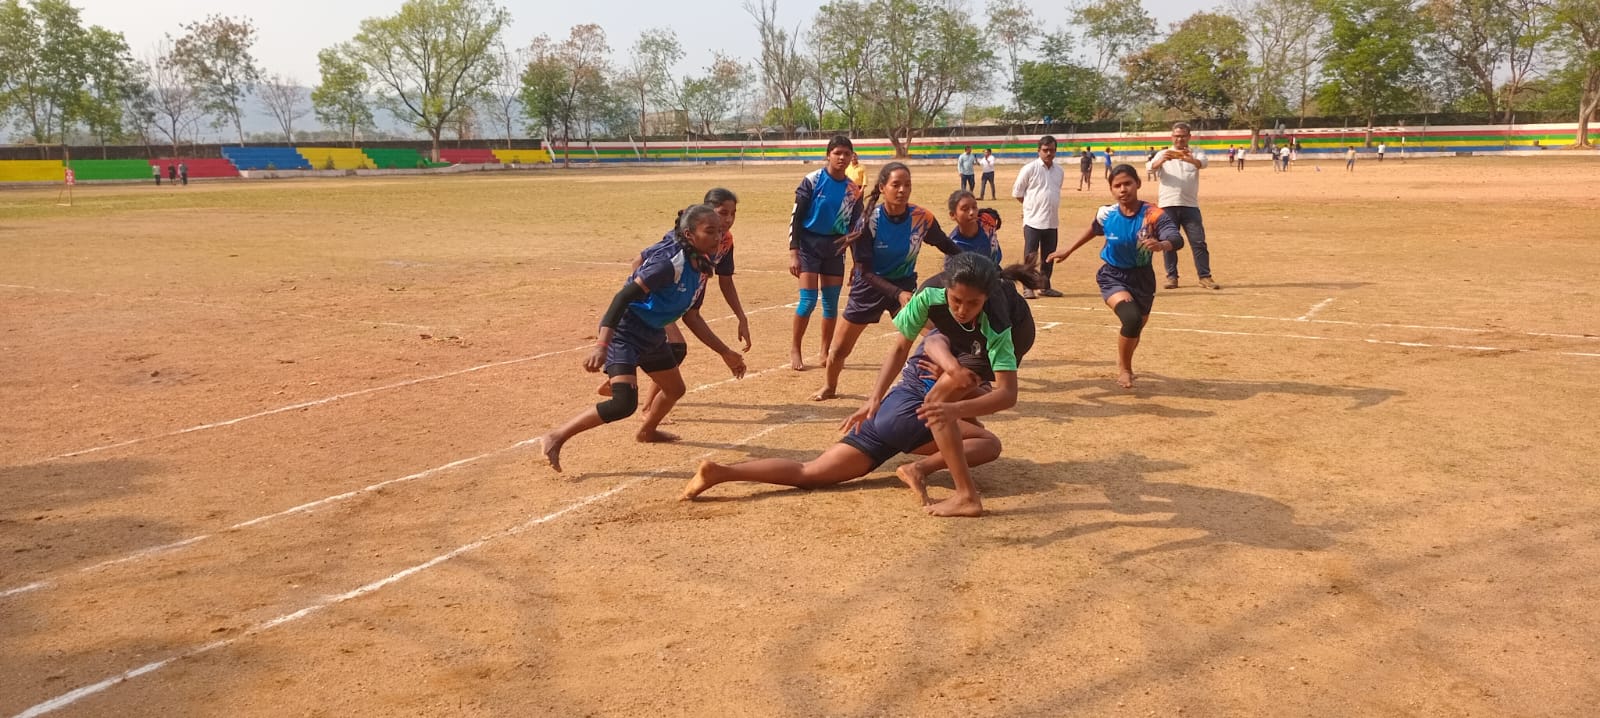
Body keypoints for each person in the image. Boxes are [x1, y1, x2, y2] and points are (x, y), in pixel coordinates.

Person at [683, 253, 1040, 518]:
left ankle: (723, 472)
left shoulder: (975, 330)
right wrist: (876, 399)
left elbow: (932, 352)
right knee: (982, 437)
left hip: (892, 415)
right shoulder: (936, 315)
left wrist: (881, 402)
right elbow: (906, 347)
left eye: (971, 304)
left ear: (986, 299)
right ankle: (965, 494)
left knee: (811, 473)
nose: (962, 309)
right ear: (945, 291)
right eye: (955, 301)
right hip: (902, 415)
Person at [539, 205, 748, 472]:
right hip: (625, 332)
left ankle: (647, 431)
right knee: (623, 404)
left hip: (652, 333)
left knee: (675, 390)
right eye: (710, 231)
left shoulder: (701, 264)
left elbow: (692, 318)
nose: (718, 238)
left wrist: (726, 352)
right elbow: (622, 297)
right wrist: (601, 345)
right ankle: (555, 437)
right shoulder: (670, 263)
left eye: (719, 231)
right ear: (689, 234)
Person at [814, 162, 962, 401]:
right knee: (839, 350)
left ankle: (958, 381)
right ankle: (830, 387)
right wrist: (897, 294)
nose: (902, 190)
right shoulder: (867, 221)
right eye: (896, 185)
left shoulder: (921, 218)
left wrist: (978, 264)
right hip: (869, 288)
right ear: (883, 187)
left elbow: (946, 245)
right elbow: (865, 272)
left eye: (907, 185)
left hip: (904, 287)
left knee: (938, 336)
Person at [596, 189, 752, 413]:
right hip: (668, 300)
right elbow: (639, 262)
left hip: (688, 297)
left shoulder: (723, 239)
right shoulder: (682, 238)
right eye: (722, 213)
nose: (728, 220)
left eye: (732, 214)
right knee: (676, 348)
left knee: (670, 351)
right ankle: (644, 403)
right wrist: (655, 299)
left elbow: (726, 280)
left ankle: (624, 383)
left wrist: (741, 316)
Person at [1047, 164, 1183, 389]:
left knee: (1136, 326)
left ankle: (1124, 359)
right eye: (1117, 185)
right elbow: (1094, 228)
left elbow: (1176, 238)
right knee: (1131, 318)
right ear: (1111, 189)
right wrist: (1068, 249)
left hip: (1142, 278)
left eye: (1127, 183)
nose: (1123, 189)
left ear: (1137, 184)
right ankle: (1125, 369)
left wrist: (1162, 244)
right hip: (1112, 275)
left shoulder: (1153, 214)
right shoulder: (1107, 213)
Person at [790, 135, 864, 371]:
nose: (842, 158)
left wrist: (857, 262)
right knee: (808, 301)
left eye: (846, 153)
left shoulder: (853, 190)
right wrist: (794, 252)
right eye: (837, 153)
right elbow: (797, 218)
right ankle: (795, 348)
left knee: (831, 304)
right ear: (828, 155)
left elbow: (855, 229)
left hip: (836, 248)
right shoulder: (812, 181)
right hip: (809, 246)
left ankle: (824, 351)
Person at [1146, 122, 1219, 291]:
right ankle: (1172, 277)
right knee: (1169, 242)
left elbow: (1203, 164)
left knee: (1198, 241)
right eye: (1176, 136)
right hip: (1167, 205)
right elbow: (1149, 168)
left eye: (1183, 135)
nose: (1179, 139)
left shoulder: (1196, 153)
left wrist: (1189, 159)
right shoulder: (1163, 153)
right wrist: (1161, 161)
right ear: (1172, 137)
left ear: (1189, 137)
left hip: (1190, 205)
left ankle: (1205, 276)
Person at [1012, 135, 1066, 300]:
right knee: (1030, 256)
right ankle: (1028, 287)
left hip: (1051, 221)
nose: (1049, 153)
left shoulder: (1059, 171)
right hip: (1033, 221)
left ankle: (1045, 286)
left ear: (1056, 151)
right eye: (1045, 150)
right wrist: (1029, 207)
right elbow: (1017, 192)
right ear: (1039, 151)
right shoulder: (1030, 169)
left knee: (1048, 257)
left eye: (1052, 150)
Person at [945, 189, 1003, 267]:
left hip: (995, 272)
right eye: (965, 209)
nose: (972, 212)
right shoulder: (954, 245)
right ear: (952, 215)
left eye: (974, 207)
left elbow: (996, 257)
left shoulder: (987, 225)